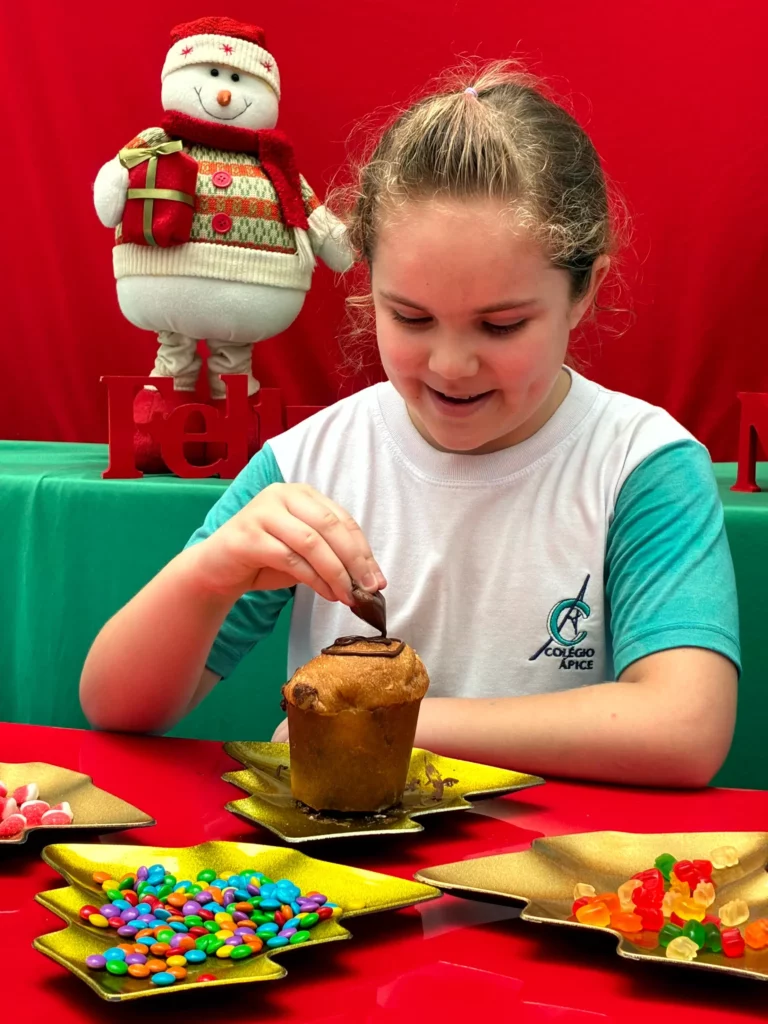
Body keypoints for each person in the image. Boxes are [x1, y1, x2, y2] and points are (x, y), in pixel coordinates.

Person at [81, 63, 739, 787]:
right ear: (368, 285)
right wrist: (209, 576)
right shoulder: (310, 463)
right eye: (411, 317)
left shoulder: (638, 465)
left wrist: (385, 722)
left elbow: (685, 727)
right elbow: (117, 705)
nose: (451, 365)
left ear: (585, 291)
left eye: (501, 325)